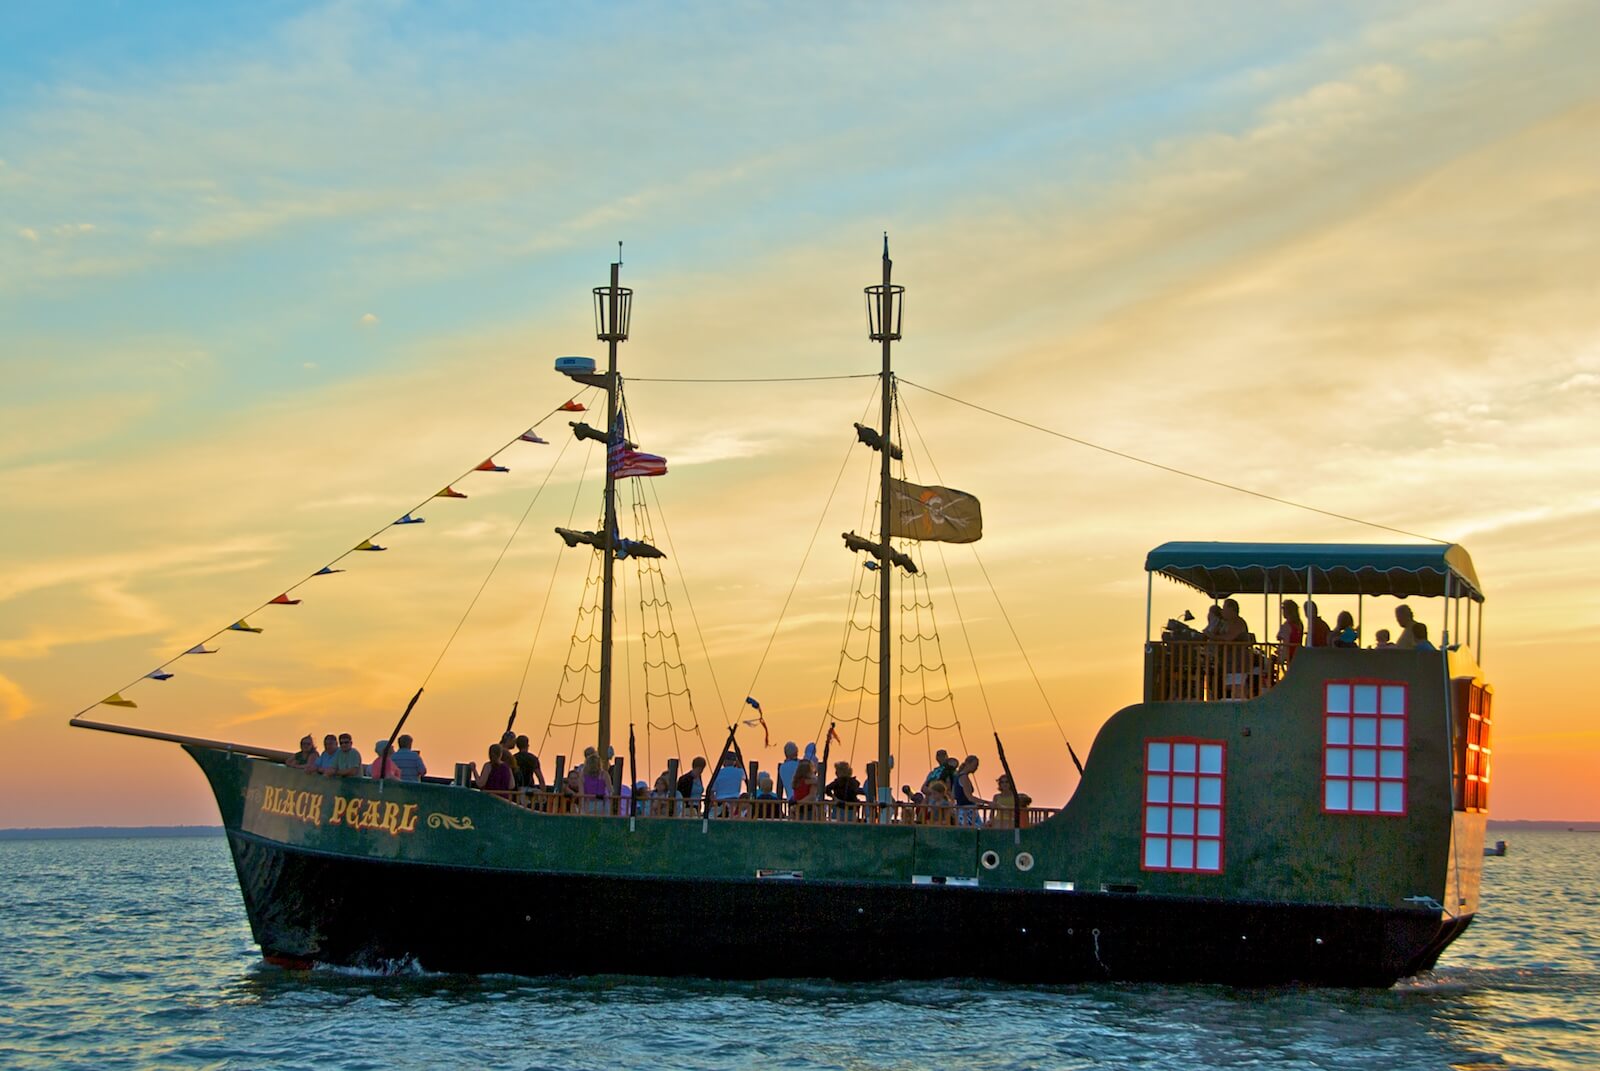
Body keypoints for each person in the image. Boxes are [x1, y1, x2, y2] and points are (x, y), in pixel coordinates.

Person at [952, 755, 986, 825]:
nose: (976, 768)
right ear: (968, 764)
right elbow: (969, 797)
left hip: (960, 810)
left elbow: (953, 795)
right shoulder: (964, 777)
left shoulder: (957, 776)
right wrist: (987, 803)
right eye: (975, 765)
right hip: (968, 811)